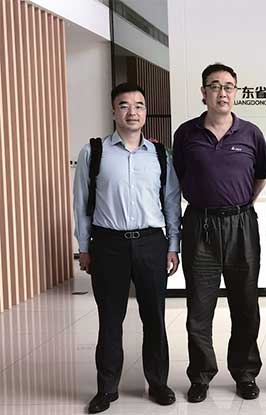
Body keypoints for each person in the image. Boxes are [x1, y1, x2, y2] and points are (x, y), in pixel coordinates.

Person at [73, 83, 181, 413]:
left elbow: (171, 202)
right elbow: (82, 204)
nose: (132, 112)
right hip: (108, 245)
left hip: (151, 243)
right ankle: (106, 389)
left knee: (155, 317)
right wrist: (84, 247)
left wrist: (173, 245)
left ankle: (158, 383)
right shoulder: (94, 152)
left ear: (146, 112)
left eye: (139, 105)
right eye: (124, 105)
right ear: (113, 111)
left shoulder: (160, 155)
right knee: (110, 319)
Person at [172, 63, 266, 402]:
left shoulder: (251, 133)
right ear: (203, 93)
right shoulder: (186, 134)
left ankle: (245, 373)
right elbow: (179, 177)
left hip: (241, 224)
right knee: (199, 307)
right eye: (214, 86)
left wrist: (236, 206)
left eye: (228, 86)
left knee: (246, 303)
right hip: (199, 224)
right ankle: (200, 375)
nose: (222, 92)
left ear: (236, 92)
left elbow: (259, 178)